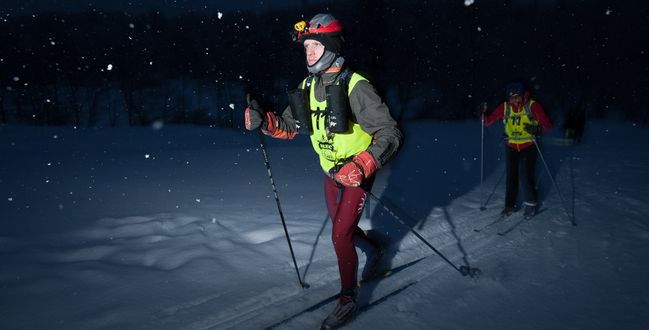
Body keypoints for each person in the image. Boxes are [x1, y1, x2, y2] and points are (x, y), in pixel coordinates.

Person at [244, 13, 402, 328]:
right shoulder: (308, 85)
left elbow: (390, 134)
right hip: (330, 173)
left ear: (330, 46)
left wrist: (361, 164)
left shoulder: (356, 86)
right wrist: (266, 122)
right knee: (344, 231)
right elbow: (292, 126)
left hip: (356, 172)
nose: (309, 52)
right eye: (306, 47)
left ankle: (347, 299)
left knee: (340, 235)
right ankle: (376, 249)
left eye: (315, 45)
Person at [482, 82, 552, 219]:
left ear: (522, 95)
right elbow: (488, 121)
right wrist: (483, 113)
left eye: (516, 96)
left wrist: (537, 129)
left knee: (525, 175)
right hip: (512, 146)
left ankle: (531, 203)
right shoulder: (505, 107)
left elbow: (547, 125)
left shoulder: (532, 106)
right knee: (511, 176)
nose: (513, 100)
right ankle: (509, 206)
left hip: (529, 145)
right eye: (511, 97)